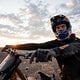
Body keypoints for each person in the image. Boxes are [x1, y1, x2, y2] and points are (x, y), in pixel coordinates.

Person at [3, 15, 80, 80]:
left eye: (63, 26)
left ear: (68, 27)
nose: (60, 29)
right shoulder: (56, 43)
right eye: (58, 27)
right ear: (55, 30)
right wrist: (13, 46)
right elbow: (36, 45)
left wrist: (53, 51)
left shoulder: (77, 42)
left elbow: (70, 48)